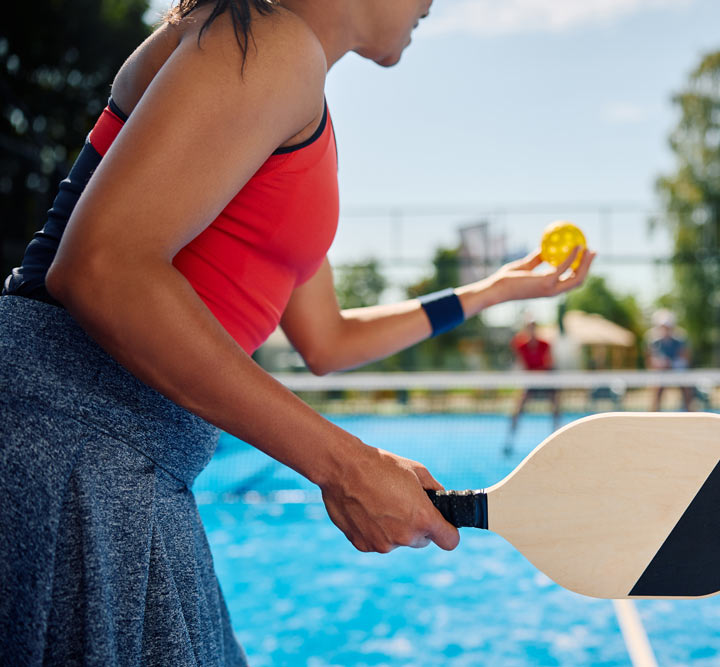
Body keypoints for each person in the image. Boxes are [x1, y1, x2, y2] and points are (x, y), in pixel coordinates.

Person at [0, 1, 596, 663]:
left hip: (127, 453)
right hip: (72, 440)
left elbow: (327, 339)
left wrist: (494, 291)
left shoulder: (293, 92)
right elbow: (100, 268)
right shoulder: (271, 41)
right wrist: (348, 465)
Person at [505, 316, 560, 455]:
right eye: (529, 326)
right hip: (530, 382)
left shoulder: (545, 344)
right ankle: (509, 441)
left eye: (533, 326)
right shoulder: (520, 345)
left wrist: (542, 375)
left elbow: (549, 363)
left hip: (545, 380)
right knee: (517, 410)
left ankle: (558, 437)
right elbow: (521, 363)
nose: (532, 329)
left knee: (556, 407)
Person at [645, 308, 693, 411]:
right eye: (663, 326)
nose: (665, 329)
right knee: (656, 388)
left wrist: (671, 364)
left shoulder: (680, 339)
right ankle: (653, 414)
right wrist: (659, 364)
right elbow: (651, 361)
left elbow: (685, 358)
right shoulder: (654, 341)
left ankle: (690, 411)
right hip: (661, 374)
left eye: (667, 327)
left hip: (678, 371)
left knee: (686, 388)